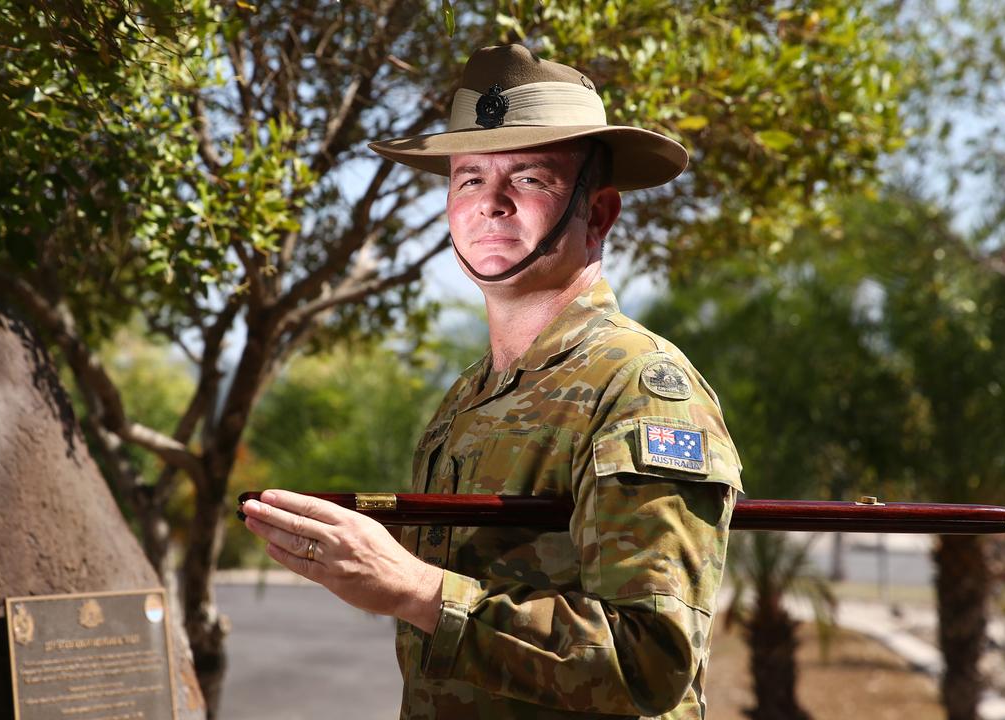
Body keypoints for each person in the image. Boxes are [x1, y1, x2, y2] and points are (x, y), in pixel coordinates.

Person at [240, 44, 742, 719]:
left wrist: (412, 587)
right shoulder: (468, 398)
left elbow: (649, 663)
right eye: (470, 178)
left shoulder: (639, 389)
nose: (492, 204)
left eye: (531, 178)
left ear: (599, 214)